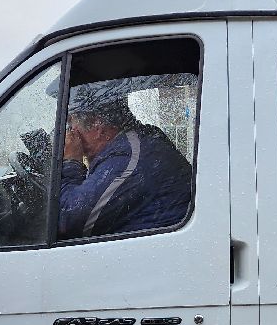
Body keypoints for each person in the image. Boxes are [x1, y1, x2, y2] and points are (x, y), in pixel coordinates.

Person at [58, 83, 192, 239]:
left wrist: (70, 163)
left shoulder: (127, 159)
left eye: (72, 127)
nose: (71, 137)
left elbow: (68, 224)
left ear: (97, 125)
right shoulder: (130, 146)